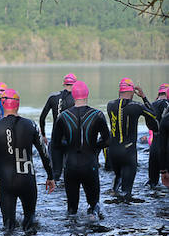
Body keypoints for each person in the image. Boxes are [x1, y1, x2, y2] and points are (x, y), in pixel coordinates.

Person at [0, 89, 56, 231]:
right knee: (30, 224)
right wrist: (50, 176)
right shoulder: (31, 125)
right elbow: (44, 152)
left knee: (8, 227)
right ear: (18, 105)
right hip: (27, 179)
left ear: (3, 105)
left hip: (6, 181)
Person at [50, 80, 111, 217]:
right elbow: (107, 141)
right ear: (87, 94)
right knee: (94, 206)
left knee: (72, 210)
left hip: (70, 166)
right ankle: (92, 230)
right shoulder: (97, 115)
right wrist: (95, 146)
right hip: (90, 165)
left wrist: (69, 147)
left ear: (73, 96)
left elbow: (55, 144)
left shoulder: (62, 117)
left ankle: (71, 235)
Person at [105, 78, 159, 201]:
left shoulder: (110, 105)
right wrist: (143, 96)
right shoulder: (136, 106)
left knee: (117, 182)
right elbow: (154, 114)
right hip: (128, 152)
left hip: (113, 151)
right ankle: (126, 216)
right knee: (126, 193)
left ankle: (114, 207)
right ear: (132, 91)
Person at [40, 73, 77, 175]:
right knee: (69, 171)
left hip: (55, 138)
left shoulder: (53, 97)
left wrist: (43, 135)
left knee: (56, 173)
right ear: (74, 85)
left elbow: (42, 117)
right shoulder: (76, 98)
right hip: (70, 139)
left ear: (64, 84)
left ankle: (55, 190)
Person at [149, 83, 168, 187]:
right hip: (165, 148)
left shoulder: (152, 104)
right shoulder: (167, 105)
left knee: (152, 184)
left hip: (154, 148)